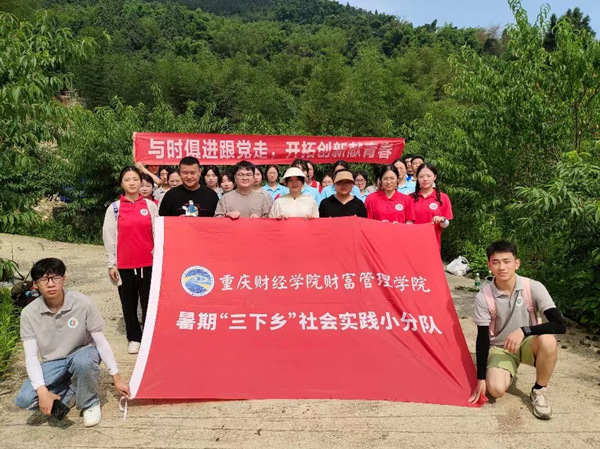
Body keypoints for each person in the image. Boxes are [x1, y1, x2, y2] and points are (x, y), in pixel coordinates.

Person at [15, 258, 130, 427]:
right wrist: (42, 391)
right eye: (44, 280)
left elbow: (100, 342)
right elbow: (31, 357)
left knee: (84, 362)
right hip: (53, 362)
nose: (51, 284)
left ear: (64, 279)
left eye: (55, 278)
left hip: (81, 353)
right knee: (25, 399)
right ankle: (72, 390)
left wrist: (117, 377)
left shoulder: (83, 303)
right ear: (36, 284)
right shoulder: (29, 314)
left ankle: (89, 403)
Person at [468, 240, 566, 420]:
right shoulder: (484, 296)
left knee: (548, 340)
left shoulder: (533, 287)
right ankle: (507, 372)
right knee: (495, 390)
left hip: (528, 342)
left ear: (517, 263)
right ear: (489, 265)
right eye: (496, 262)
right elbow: (482, 338)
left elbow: (559, 325)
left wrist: (524, 330)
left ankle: (539, 390)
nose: (502, 267)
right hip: (501, 347)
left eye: (507, 261)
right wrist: (480, 378)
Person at [103, 166, 158, 354]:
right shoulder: (115, 208)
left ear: (141, 182)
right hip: (125, 264)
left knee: (149, 302)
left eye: (135, 179)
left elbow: (156, 234)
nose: (132, 183)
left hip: (148, 264)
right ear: (121, 183)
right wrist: (112, 264)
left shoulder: (150, 206)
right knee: (128, 303)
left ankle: (150, 337)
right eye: (127, 180)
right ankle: (134, 337)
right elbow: (109, 237)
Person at [410, 163, 452, 249]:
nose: (425, 179)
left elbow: (446, 224)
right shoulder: (409, 198)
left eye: (429, 176)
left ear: (435, 177)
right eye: (421, 176)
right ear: (417, 178)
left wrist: (442, 220)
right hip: (412, 242)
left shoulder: (443, 198)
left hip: (433, 244)